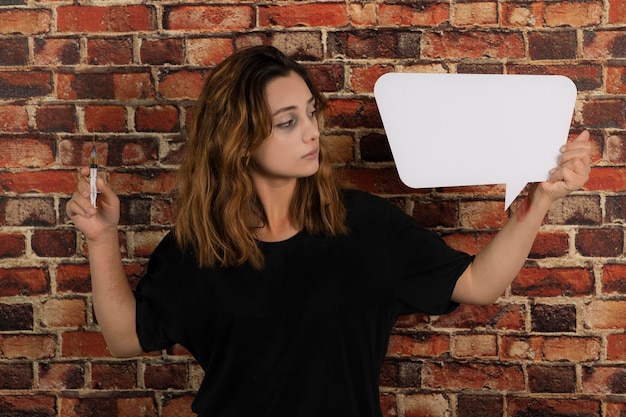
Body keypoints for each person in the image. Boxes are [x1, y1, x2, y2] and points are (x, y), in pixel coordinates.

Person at [66, 45, 592, 417]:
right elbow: (125, 337)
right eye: (288, 120)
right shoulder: (197, 245)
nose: (313, 131)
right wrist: (100, 238)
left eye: (311, 113)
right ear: (237, 138)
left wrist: (541, 198)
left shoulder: (364, 225)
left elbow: (479, 284)